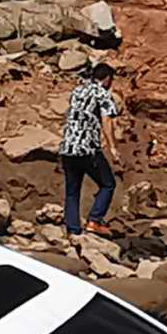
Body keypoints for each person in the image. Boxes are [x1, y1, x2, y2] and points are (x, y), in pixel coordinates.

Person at [59, 62, 121, 238]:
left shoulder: (77, 91)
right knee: (108, 183)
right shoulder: (102, 93)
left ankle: (73, 229)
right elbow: (107, 120)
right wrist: (113, 147)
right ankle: (94, 220)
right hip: (87, 148)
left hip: (68, 148)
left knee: (72, 190)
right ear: (107, 79)